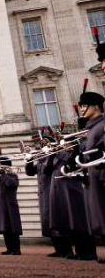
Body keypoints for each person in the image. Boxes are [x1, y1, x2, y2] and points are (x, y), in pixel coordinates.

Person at [25, 141, 73, 258]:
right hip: (43, 195)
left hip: (53, 192)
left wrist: (51, 154)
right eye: (41, 146)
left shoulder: (54, 158)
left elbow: (49, 169)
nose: (42, 148)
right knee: (48, 223)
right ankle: (58, 249)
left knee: (58, 220)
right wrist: (28, 160)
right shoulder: (41, 161)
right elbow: (30, 172)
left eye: (45, 145)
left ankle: (67, 250)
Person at [75, 91, 105, 263]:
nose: (82, 109)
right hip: (94, 176)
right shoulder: (93, 127)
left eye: (85, 106)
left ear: (95, 106)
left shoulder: (101, 126)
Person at [0, 157, 22, 255]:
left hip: (9, 205)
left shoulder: (13, 175)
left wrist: (4, 174)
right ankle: (9, 248)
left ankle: (16, 249)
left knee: (12, 227)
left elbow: (12, 184)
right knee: (4, 227)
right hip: (0, 206)